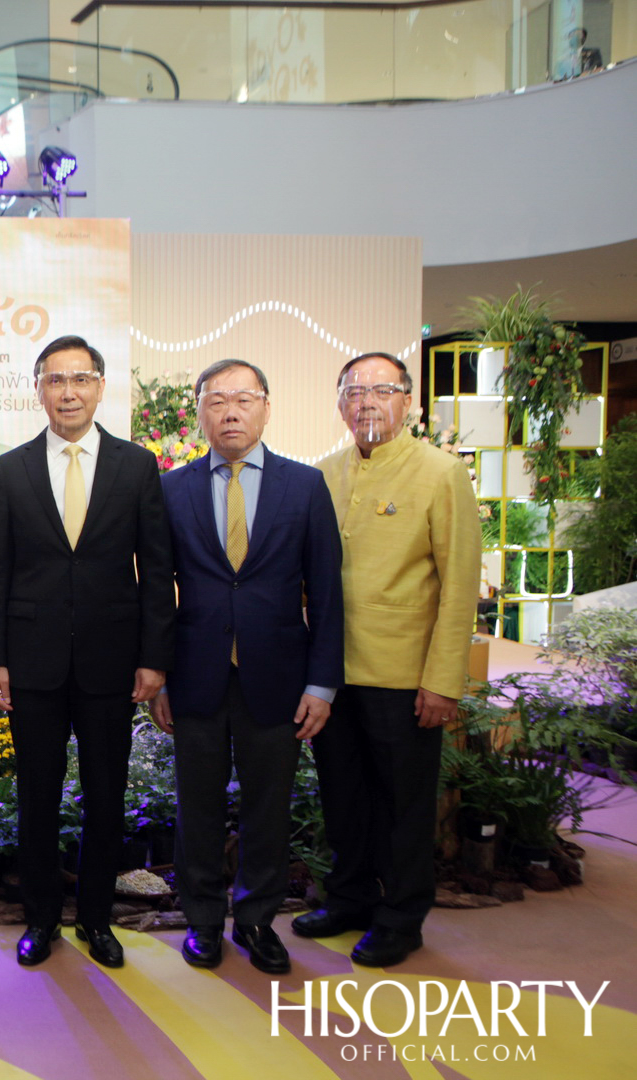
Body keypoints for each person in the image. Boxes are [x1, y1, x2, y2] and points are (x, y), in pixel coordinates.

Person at [0, 335, 174, 969]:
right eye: (55, 380)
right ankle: (40, 920)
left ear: (99, 387)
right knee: (37, 795)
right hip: (32, 664)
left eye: (80, 379)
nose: (68, 392)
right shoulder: (11, 468)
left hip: (111, 662)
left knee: (106, 795)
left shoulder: (137, 466)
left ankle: (96, 919)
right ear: (39, 389)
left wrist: (153, 658)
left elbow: (157, 570)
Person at [153, 360, 343, 975]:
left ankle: (258, 920)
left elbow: (327, 592)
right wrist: (155, 673)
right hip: (196, 675)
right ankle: (204, 922)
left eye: (243, 399)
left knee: (269, 806)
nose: (230, 412)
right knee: (197, 807)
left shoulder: (305, 486)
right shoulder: (172, 489)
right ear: (200, 412)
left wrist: (322, 683)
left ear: (266, 407)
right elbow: (156, 590)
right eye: (216, 401)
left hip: (281, 680)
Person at [298, 352, 481, 967]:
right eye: (353, 391)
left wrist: (443, 681)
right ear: (340, 403)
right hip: (331, 675)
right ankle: (348, 898)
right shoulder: (322, 474)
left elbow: (459, 587)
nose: (366, 401)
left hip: (405, 679)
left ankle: (402, 916)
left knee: (403, 804)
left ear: (408, 402)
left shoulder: (440, 473)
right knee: (343, 795)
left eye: (381, 390)